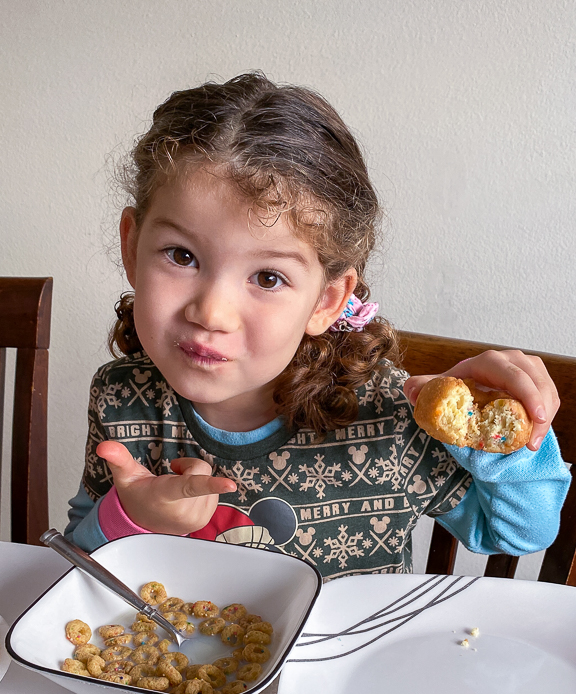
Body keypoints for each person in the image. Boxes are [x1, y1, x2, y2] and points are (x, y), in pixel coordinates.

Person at [65, 72, 570, 579]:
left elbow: (520, 533)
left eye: (268, 277)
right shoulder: (122, 397)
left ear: (326, 301)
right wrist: (130, 517)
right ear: (132, 246)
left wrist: (506, 438)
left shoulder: (390, 412)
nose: (211, 313)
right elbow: (74, 560)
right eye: (181, 255)